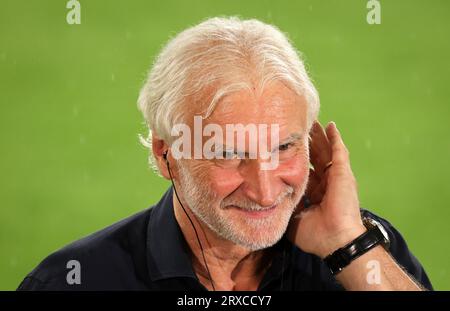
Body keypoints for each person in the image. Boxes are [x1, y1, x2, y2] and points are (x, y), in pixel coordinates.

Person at [18, 17, 432, 291]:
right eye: (230, 154)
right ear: (167, 155)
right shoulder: (73, 281)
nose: (266, 191)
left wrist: (346, 245)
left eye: (284, 146)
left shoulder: (366, 253)